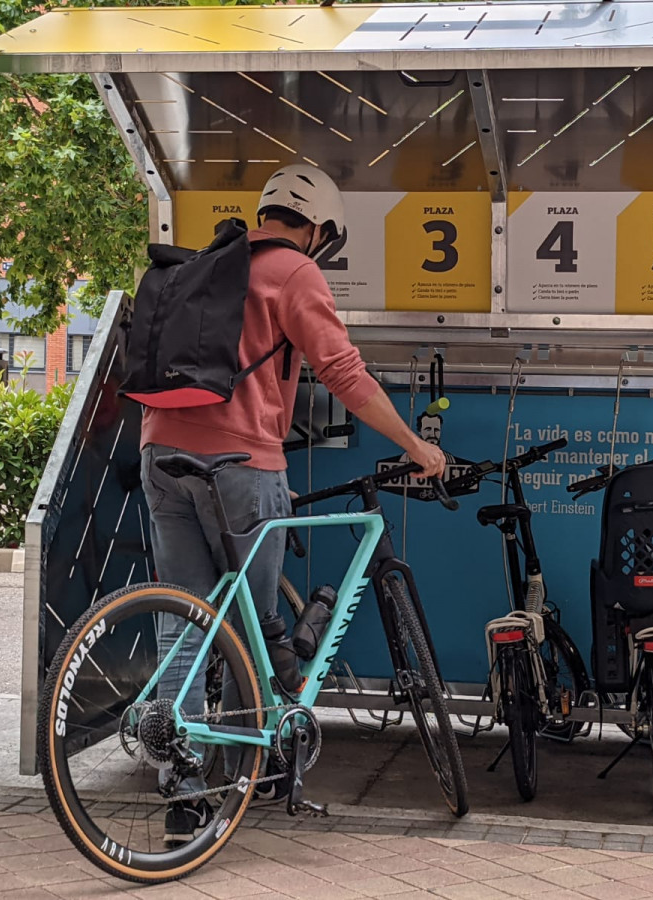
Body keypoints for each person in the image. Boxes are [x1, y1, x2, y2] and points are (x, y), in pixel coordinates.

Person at [140, 163, 445, 846]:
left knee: (185, 622)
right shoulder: (294, 272)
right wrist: (414, 446)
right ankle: (245, 776)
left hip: (162, 453)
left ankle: (183, 789)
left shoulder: (214, 259)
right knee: (252, 630)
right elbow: (343, 372)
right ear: (318, 230)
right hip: (241, 462)